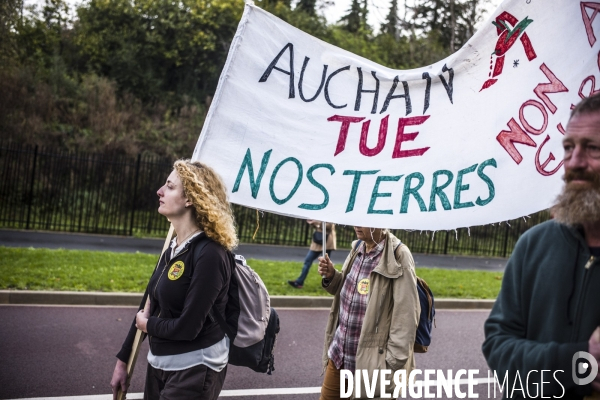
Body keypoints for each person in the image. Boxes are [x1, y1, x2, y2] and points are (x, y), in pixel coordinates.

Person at [483, 93, 600, 399]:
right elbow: (498, 346)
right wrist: (578, 361)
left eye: (593, 148)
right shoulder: (533, 246)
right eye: (568, 148)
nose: (574, 163)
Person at [110, 160, 238, 400]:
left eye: (169, 186)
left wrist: (147, 325)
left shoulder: (211, 254)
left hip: (194, 371)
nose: (159, 191)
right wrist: (123, 360)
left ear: (190, 199)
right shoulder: (174, 246)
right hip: (159, 365)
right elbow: (149, 304)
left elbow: (188, 327)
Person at [317, 226, 420, 399]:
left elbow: (406, 316)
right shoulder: (358, 246)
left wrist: (392, 363)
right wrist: (331, 276)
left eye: (363, 221)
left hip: (372, 363)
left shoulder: (399, 255)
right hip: (340, 354)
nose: (356, 225)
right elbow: (345, 288)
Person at [288, 220, 336, 289]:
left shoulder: (329, 213)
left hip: (326, 242)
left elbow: (329, 226)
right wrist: (313, 223)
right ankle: (299, 282)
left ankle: (329, 283)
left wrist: (316, 222)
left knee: (326, 266)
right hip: (317, 242)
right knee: (307, 261)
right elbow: (318, 226)